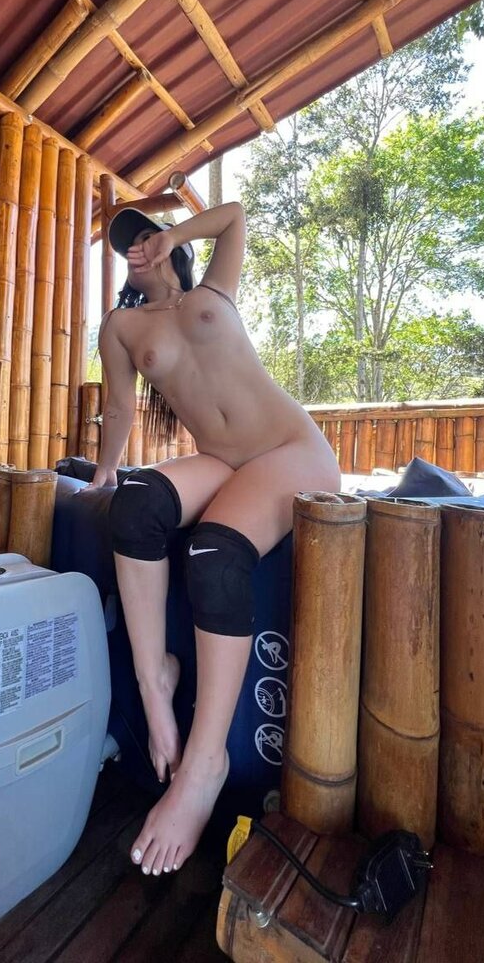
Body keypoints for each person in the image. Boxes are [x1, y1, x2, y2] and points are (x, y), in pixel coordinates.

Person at [89, 201, 340, 878]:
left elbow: (234, 217)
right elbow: (119, 405)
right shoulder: (122, 326)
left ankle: (204, 767)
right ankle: (154, 684)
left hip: (290, 450)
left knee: (214, 552)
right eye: (127, 243)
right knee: (135, 504)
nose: (137, 247)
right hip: (221, 460)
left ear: (169, 246)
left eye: (145, 236)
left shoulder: (213, 291)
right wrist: (104, 472)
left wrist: (173, 230)